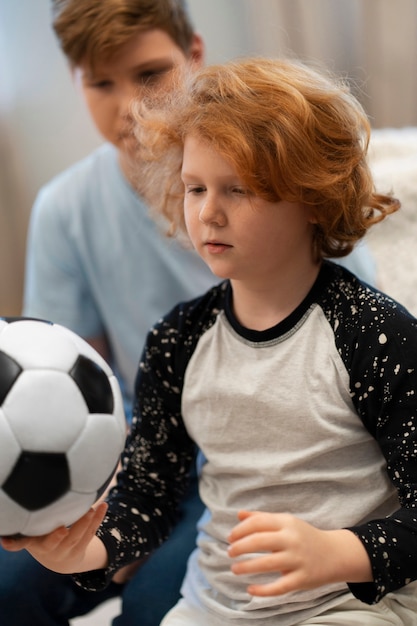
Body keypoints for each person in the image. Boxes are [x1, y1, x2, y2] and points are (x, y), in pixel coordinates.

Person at [5, 57, 417, 625]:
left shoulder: (374, 334)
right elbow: (148, 499)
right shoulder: (178, 340)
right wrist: (85, 550)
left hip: (347, 605)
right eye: (195, 187)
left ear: (311, 197)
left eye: (237, 189)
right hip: (213, 607)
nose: (208, 213)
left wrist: (338, 553)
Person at [0, 2, 217, 625]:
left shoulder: (263, 185)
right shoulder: (65, 209)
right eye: (102, 83)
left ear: (195, 56)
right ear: (76, 82)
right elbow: (63, 390)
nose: (131, 107)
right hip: (134, 462)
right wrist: (111, 520)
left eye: (151, 76)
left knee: (153, 609)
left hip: (244, 472)